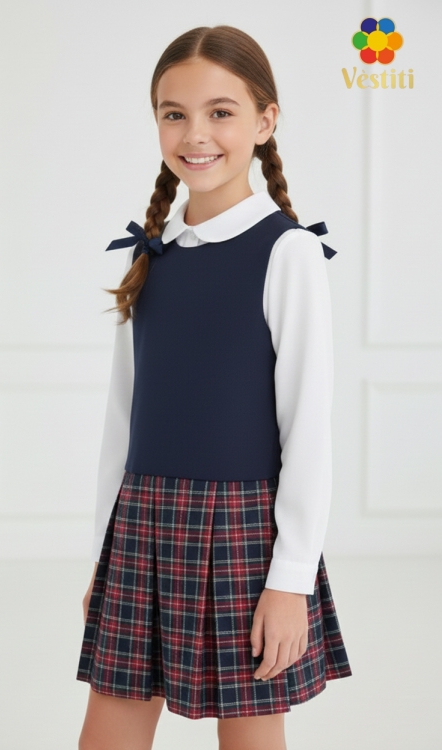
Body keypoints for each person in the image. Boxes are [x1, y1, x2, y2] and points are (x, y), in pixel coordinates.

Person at [76, 24, 352, 750]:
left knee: (251, 737)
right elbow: (122, 419)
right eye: (174, 113)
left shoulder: (288, 252)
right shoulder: (150, 253)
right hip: (142, 526)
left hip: (243, 535)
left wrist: (290, 580)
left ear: (265, 121)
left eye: (220, 112)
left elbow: (307, 428)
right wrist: (105, 555)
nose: (195, 134)